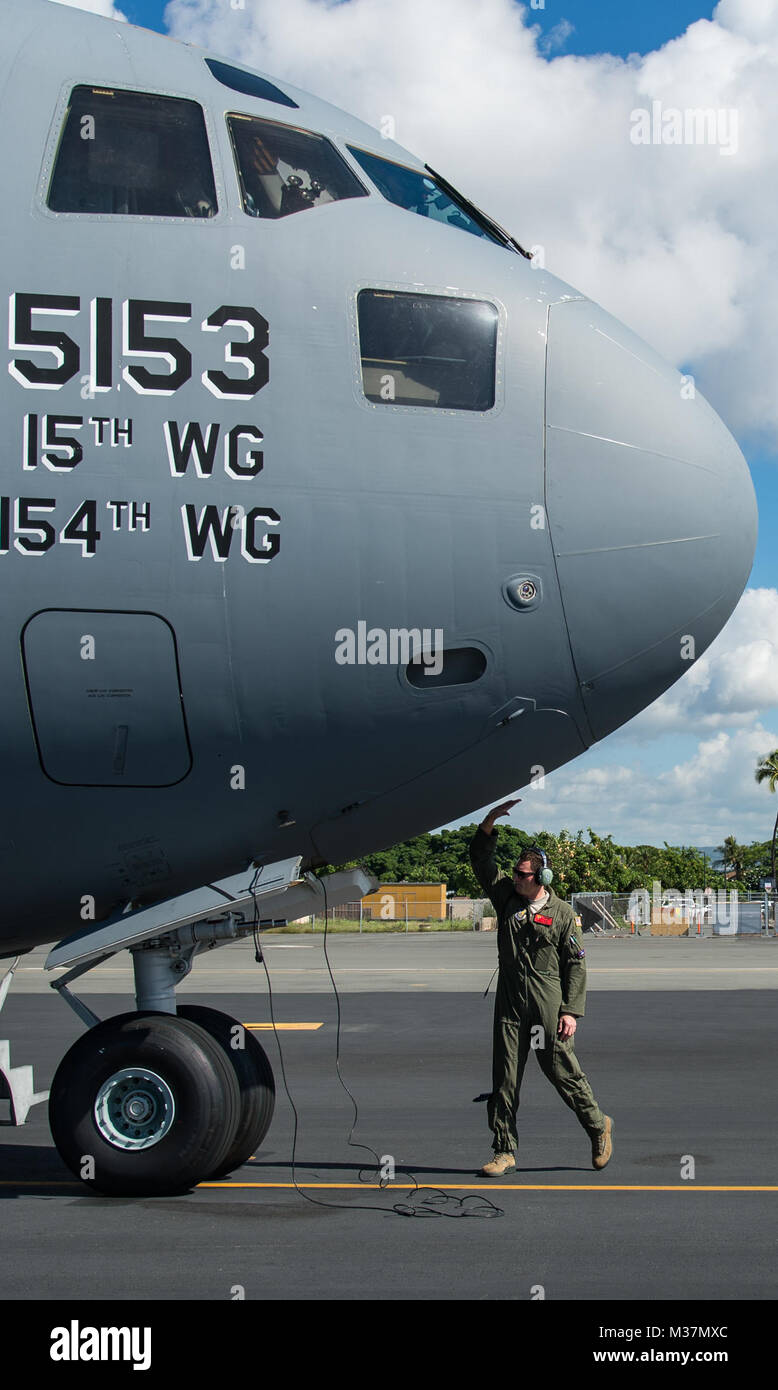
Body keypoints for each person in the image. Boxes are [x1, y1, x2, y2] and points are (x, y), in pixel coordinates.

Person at [470, 798, 612, 1176]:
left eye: (523, 874)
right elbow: (482, 864)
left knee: (563, 1072)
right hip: (511, 1004)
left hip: (547, 1005)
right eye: (515, 872)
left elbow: (576, 964)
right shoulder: (506, 900)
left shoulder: (564, 914)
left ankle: (598, 1126)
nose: (515, 878)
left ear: (541, 879)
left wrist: (570, 1011)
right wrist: (488, 823)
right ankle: (504, 1150)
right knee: (504, 1078)